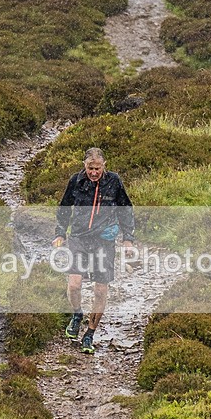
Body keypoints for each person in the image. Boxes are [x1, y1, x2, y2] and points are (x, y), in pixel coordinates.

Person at [52, 147, 135, 354]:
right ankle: (77, 314)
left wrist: (128, 239)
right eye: (90, 168)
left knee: (100, 289)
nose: (94, 172)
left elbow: (126, 209)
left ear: (104, 166)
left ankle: (90, 333)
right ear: (85, 165)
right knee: (74, 284)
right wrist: (60, 233)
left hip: (104, 241)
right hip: (79, 237)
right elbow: (64, 208)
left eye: (97, 168)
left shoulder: (114, 181)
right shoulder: (76, 181)